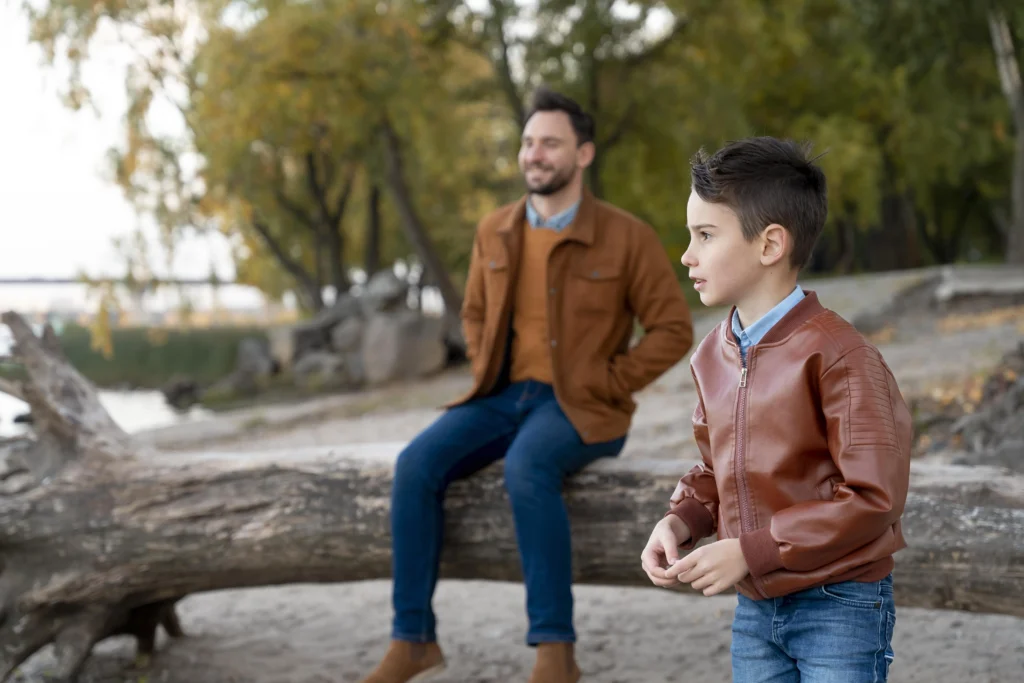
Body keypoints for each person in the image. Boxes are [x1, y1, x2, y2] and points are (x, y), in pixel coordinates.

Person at [361, 87, 694, 683]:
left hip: (582, 407)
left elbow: (672, 329)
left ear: (583, 154)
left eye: (550, 144)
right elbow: (472, 312)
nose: (534, 155)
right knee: (414, 464)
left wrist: (612, 379)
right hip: (501, 396)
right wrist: (486, 360)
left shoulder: (626, 236)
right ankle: (412, 639)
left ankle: (554, 652)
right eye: (528, 142)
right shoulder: (495, 230)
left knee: (526, 467)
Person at [641, 137, 912, 682]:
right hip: (756, 609)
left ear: (769, 246)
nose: (686, 255)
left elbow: (874, 496)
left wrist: (752, 549)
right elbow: (715, 469)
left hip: (839, 603)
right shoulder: (711, 355)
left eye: (705, 235)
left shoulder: (841, 355)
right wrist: (681, 518)